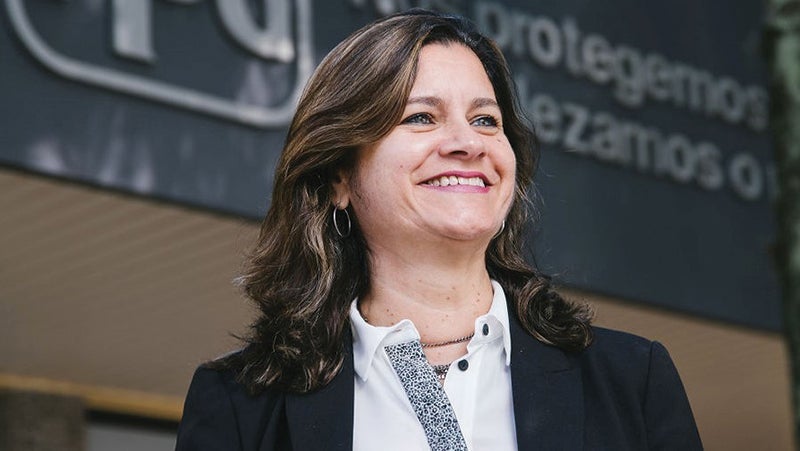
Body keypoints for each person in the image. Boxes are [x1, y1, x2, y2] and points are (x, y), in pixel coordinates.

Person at [176, 9, 702, 451]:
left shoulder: (632, 380)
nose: (467, 144)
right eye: (421, 118)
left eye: (486, 120)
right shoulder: (240, 405)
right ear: (339, 175)